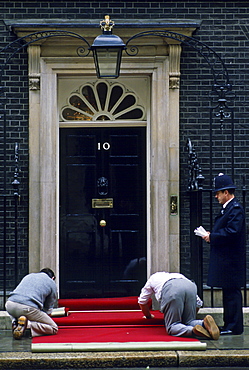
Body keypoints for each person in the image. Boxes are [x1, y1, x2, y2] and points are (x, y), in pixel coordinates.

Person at [202, 173, 246, 335]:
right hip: (228, 259)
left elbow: (232, 232)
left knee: (232, 294)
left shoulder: (235, 209)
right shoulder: (230, 209)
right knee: (228, 293)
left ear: (226, 193)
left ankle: (234, 327)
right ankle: (230, 325)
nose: (216, 196)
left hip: (231, 260)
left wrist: (212, 236)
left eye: (218, 193)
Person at [138, 271, 220, 340]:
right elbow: (198, 303)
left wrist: (148, 316)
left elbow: (142, 301)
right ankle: (203, 323)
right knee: (189, 321)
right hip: (190, 286)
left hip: (171, 289)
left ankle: (193, 330)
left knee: (173, 326)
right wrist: (188, 316)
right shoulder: (178, 275)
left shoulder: (152, 278)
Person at [5, 268, 58, 339]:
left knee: (16, 311)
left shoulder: (29, 276)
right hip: (28, 308)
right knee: (53, 328)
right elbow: (49, 304)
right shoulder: (51, 282)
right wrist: (46, 313)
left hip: (9, 304)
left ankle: (15, 322)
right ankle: (28, 325)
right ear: (53, 278)